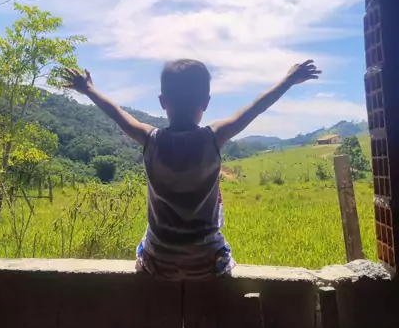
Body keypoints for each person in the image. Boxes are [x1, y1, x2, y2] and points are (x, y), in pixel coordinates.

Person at [62, 59, 321, 280]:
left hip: (159, 261)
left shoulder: (150, 139)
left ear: (162, 102)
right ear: (206, 103)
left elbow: (117, 113)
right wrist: (288, 80)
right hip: (207, 261)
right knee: (222, 251)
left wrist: (88, 89)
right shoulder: (213, 138)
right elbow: (255, 108)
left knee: (144, 243)